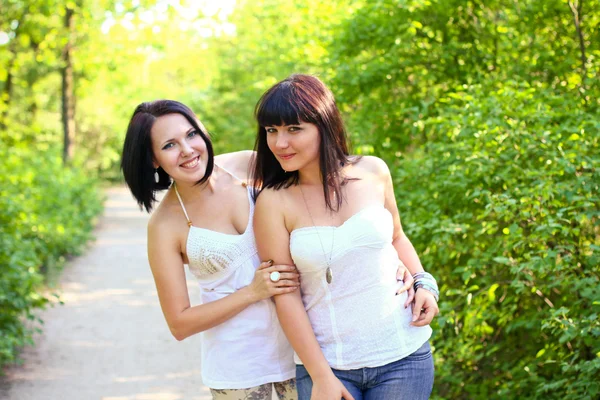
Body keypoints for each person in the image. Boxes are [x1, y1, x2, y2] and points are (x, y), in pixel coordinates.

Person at [252, 74, 440, 400]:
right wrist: (321, 375)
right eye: (272, 131)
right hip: (328, 365)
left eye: (293, 129)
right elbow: (285, 295)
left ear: (324, 125)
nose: (280, 143)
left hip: (404, 356)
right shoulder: (274, 201)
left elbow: (397, 237)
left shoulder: (373, 171)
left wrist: (425, 283)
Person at [120, 100, 299, 399]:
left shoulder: (250, 166)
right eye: (169, 145)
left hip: (303, 351)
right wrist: (252, 292)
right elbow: (179, 323)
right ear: (153, 159)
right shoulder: (165, 226)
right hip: (238, 370)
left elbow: (320, 211)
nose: (187, 150)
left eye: (191, 135)